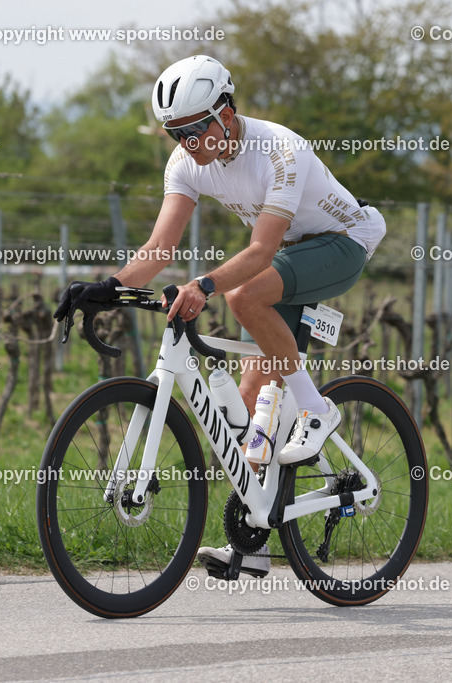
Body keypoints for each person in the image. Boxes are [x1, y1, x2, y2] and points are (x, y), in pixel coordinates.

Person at [53, 55, 386, 578]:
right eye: (174, 134)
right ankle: (253, 538)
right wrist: (109, 287)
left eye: (194, 130)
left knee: (242, 297)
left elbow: (260, 251)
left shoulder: (279, 150)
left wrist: (203, 286)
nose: (186, 144)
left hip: (343, 243)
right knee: (250, 413)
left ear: (225, 114)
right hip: (290, 258)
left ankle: (318, 411)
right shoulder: (186, 163)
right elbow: (159, 247)